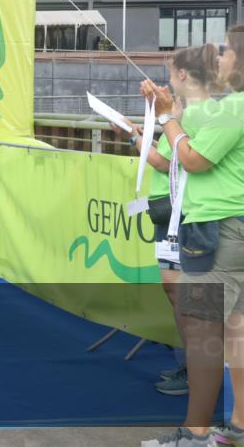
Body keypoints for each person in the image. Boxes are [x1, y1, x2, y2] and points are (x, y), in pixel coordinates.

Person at [140, 29, 244, 447]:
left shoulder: (234, 109)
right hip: (227, 227)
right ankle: (235, 427)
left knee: (205, 335)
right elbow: (188, 135)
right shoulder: (226, 108)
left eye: (228, 51)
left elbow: (192, 160)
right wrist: (168, 111)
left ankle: (196, 434)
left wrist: (166, 117)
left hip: (218, 228)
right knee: (236, 331)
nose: (220, 58)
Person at [112, 45, 219, 396]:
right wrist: (133, 133)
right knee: (176, 294)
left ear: (184, 75)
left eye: (171, 72)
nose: (167, 79)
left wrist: (162, 117)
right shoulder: (178, 112)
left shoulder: (198, 114)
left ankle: (201, 373)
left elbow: (185, 160)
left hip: (190, 215)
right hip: (171, 214)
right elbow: (165, 160)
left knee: (191, 299)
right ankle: (191, 366)